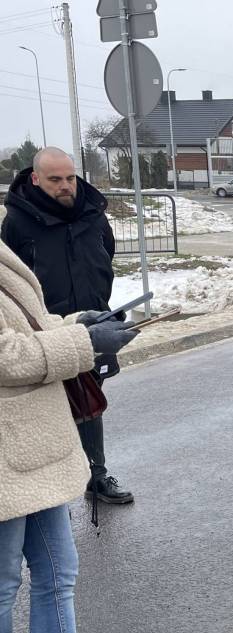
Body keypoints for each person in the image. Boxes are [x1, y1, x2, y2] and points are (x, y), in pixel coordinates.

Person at [1, 239, 137, 633]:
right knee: (3, 585)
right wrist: (83, 343)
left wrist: (80, 323)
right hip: (6, 454)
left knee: (58, 573)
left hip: (34, 445)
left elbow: (29, 325)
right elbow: (6, 353)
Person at [2, 147, 133, 506]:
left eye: (70, 178)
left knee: (89, 401)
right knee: (48, 408)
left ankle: (97, 475)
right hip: (44, 336)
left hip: (91, 325)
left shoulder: (93, 214)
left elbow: (105, 256)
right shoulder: (17, 222)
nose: (65, 186)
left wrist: (99, 308)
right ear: (35, 179)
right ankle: (48, 489)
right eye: (55, 179)